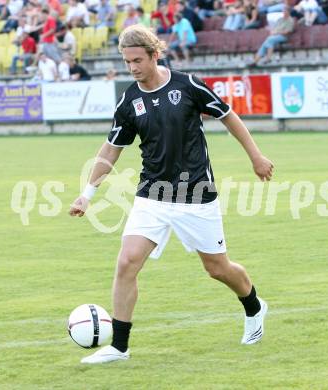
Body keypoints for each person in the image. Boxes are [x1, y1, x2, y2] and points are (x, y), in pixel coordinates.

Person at [69, 24, 273, 364]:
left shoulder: (187, 85)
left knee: (217, 269)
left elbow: (228, 115)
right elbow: (110, 150)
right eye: (126, 61)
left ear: (154, 55)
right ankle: (119, 347)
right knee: (126, 263)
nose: (132, 68)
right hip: (153, 194)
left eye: (137, 60)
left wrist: (256, 156)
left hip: (197, 194)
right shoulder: (129, 102)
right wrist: (87, 194)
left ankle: (254, 306)